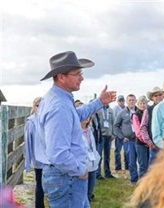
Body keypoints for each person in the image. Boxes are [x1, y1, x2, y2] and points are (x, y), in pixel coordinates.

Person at [34, 51, 116, 208]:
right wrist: (80, 170)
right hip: (67, 176)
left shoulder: (58, 99)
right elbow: (57, 153)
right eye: (77, 73)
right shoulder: (59, 106)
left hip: (65, 176)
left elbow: (75, 116)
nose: (82, 78)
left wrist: (99, 102)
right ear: (61, 77)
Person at [76, 102, 101, 203]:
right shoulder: (75, 131)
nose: (87, 117)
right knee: (82, 192)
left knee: (90, 190)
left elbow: (93, 147)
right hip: (82, 165)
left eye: (88, 115)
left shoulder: (90, 130)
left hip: (93, 163)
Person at [24, 97, 44, 208]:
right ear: (34, 107)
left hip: (50, 158)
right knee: (40, 183)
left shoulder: (48, 119)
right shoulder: (31, 121)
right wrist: (29, 161)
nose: (40, 108)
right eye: (37, 106)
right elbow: (28, 142)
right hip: (38, 158)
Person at [114, 94, 138, 185]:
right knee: (131, 161)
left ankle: (142, 179)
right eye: (130, 100)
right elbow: (116, 126)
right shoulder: (122, 113)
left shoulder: (139, 111)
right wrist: (121, 137)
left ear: (135, 101)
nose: (131, 102)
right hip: (129, 141)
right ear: (127, 102)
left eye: (133, 100)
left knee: (141, 160)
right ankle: (134, 179)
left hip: (139, 140)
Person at [139, 86, 162, 165]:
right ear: (152, 98)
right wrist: (150, 143)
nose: (158, 97)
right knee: (153, 169)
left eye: (160, 95)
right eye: (155, 96)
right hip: (154, 146)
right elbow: (143, 128)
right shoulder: (148, 110)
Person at [96, 104, 116, 179]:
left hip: (109, 135)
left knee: (107, 156)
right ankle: (98, 173)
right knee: (99, 155)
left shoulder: (110, 110)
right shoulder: (98, 109)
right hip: (100, 136)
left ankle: (108, 173)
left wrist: (113, 133)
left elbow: (113, 122)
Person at [132, 95, 149, 178]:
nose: (143, 105)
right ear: (138, 104)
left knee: (149, 164)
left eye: (144, 103)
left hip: (149, 142)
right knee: (142, 165)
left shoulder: (149, 113)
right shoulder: (135, 115)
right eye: (141, 103)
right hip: (140, 143)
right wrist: (146, 141)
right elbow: (138, 132)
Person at [113, 95, 130, 173]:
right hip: (118, 134)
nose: (121, 102)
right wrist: (114, 133)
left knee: (127, 151)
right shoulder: (115, 109)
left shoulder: (127, 109)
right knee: (118, 151)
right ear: (117, 101)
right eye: (120, 101)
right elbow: (114, 122)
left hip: (126, 134)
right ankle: (118, 166)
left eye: (122, 100)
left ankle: (127, 165)